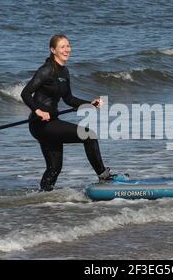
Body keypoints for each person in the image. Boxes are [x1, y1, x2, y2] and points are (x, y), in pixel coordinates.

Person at [21, 34, 123, 191]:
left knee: (54, 168)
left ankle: (42, 199)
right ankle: (104, 176)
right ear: (53, 50)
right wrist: (38, 110)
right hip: (40, 124)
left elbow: (68, 98)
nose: (66, 49)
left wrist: (89, 104)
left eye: (68, 46)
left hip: (52, 123)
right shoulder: (46, 70)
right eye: (62, 47)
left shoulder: (64, 72)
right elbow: (26, 93)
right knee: (88, 135)